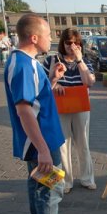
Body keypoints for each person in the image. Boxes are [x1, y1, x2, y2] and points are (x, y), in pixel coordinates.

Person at [3, 14, 82, 214]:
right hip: (41, 142)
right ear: (35, 38)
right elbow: (24, 110)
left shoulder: (26, 62)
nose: (52, 39)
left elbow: (34, 98)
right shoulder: (24, 66)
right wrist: (44, 149)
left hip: (40, 139)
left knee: (37, 184)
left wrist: (53, 78)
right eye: (48, 35)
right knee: (50, 190)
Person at [43, 28, 96, 194]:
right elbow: (44, 84)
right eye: (68, 42)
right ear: (62, 43)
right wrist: (56, 83)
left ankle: (87, 179)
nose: (71, 46)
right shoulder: (52, 60)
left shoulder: (85, 61)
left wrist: (80, 61)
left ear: (79, 44)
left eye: (75, 42)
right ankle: (66, 181)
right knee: (63, 145)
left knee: (83, 144)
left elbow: (90, 82)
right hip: (61, 106)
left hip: (81, 107)